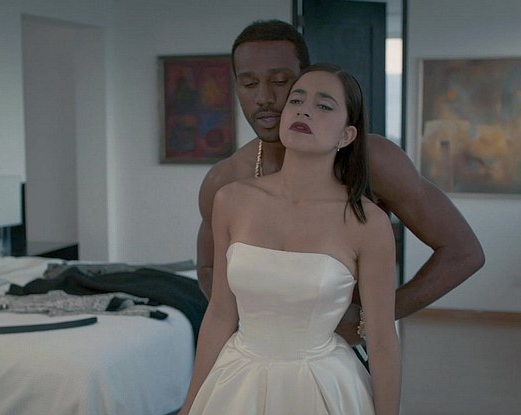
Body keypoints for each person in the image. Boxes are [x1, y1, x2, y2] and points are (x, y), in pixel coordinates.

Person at [164, 63, 408, 415]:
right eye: (296, 99)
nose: (304, 109)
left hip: (323, 389)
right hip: (236, 383)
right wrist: (189, 407)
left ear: (346, 135)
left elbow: (383, 343)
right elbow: (221, 314)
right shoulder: (232, 200)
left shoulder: (367, 222)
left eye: (323, 105)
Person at [196, 20, 484, 344]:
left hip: (343, 355)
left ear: (304, 81)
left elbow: (463, 252)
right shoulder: (226, 180)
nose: (264, 97)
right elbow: (208, 270)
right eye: (248, 83)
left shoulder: (372, 160)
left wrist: (370, 320)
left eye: (280, 81)